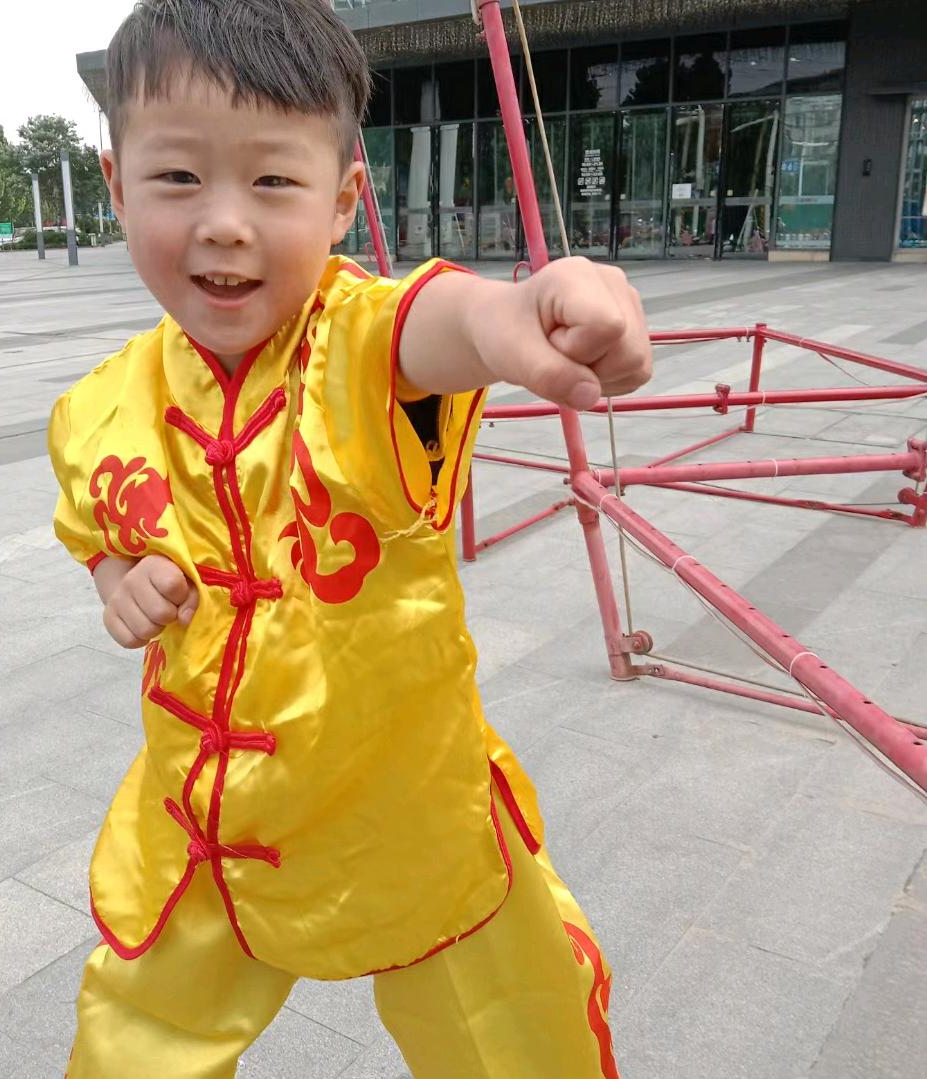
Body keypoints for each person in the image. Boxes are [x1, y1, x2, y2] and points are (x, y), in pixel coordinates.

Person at [48, 2, 650, 1077]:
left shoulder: (355, 347)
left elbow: (434, 325)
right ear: (115, 185)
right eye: (178, 178)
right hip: (202, 824)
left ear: (342, 202)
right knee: (131, 1044)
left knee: (514, 1034)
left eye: (272, 181)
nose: (224, 223)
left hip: (404, 808)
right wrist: (117, 578)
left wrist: (511, 316)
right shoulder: (99, 405)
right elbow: (97, 522)